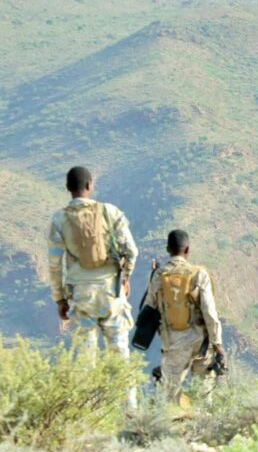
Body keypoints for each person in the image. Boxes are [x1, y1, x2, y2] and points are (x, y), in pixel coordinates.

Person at [47, 167, 139, 400]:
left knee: (86, 361)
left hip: (81, 296)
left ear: (68, 188)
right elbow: (131, 251)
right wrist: (125, 278)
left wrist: (59, 299)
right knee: (120, 356)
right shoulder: (110, 212)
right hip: (111, 295)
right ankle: (132, 415)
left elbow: (55, 264)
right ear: (90, 185)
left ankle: (88, 416)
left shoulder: (59, 219)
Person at [143, 229, 226, 406]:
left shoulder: (159, 275)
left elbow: (150, 307)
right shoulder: (199, 274)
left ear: (168, 249)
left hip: (173, 343)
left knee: (168, 395)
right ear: (187, 250)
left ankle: (166, 428)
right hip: (200, 343)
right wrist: (218, 344)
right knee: (204, 394)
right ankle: (203, 426)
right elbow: (210, 312)